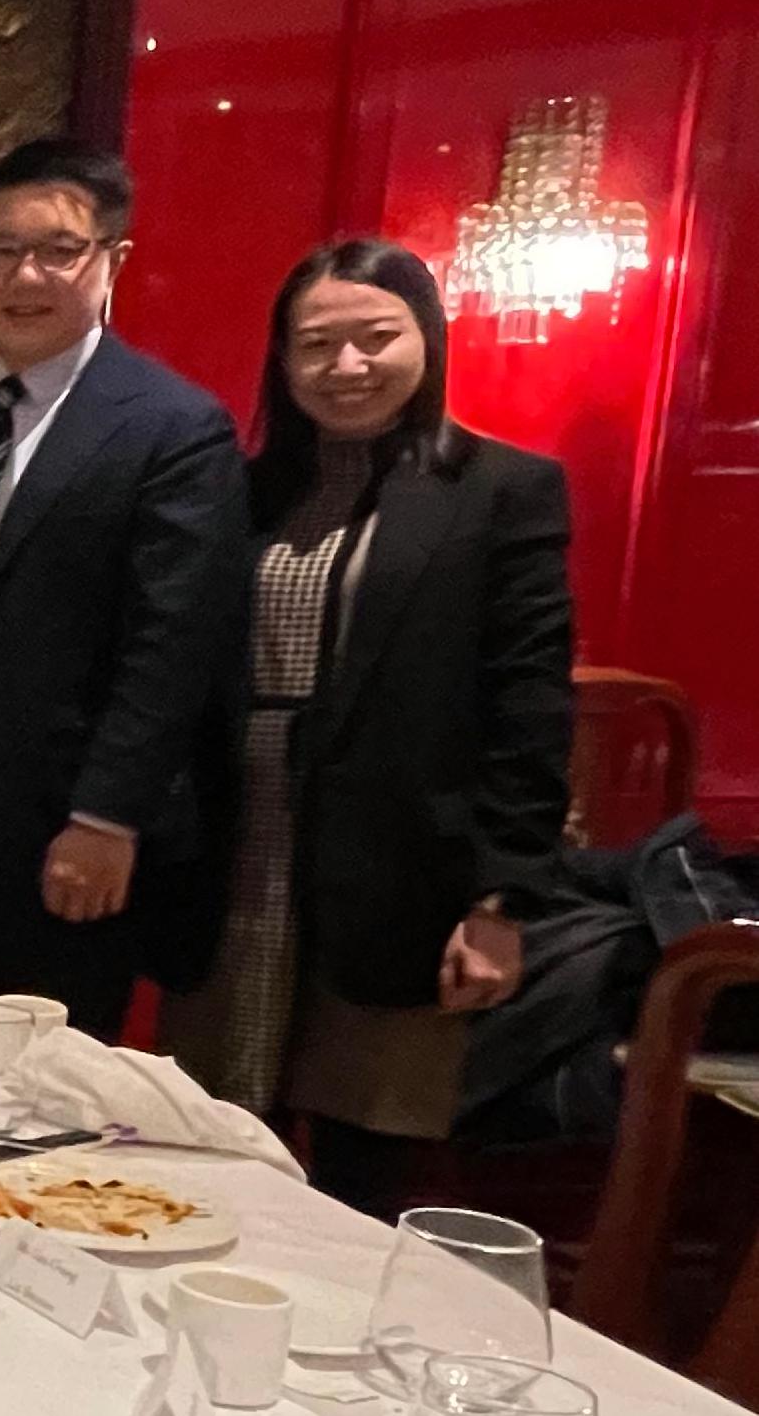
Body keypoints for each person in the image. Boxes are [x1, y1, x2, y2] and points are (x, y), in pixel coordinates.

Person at [161, 239, 574, 1205]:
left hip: (398, 870)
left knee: (367, 1160)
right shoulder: (244, 489)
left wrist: (502, 904)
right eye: (316, 346)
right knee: (213, 1139)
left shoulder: (501, 491)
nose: (345, 368)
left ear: (425, 338)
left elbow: (530, 703)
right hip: (240, 855)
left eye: (374, 338)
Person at [0, 139, 249, 1037]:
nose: (24, 274)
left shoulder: (173, 428)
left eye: (58, 250)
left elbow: (173, 642)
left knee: (42, 1093)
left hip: (59, 823)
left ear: (112, 261)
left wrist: (107, 815)